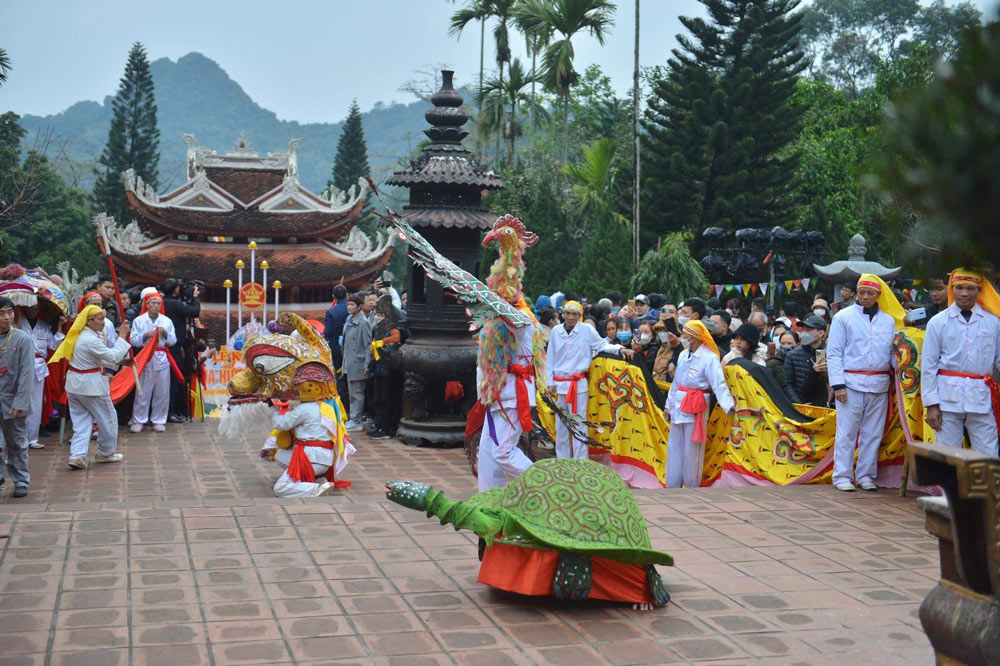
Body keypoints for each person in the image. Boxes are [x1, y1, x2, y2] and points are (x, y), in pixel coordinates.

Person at [827, 275, 904, 492]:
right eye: (862, 292)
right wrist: (838, 385)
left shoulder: (888, 321)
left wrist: (903, 364)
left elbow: (891, 354)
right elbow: (834, 353)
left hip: (879, 383)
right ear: (856, 294)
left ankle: (866, 475)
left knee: (873, 433)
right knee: (847, 432)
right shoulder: (843, 317)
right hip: (850, 382)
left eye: (871, 293)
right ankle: (841, 475)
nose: (866, 297)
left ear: (879, 295)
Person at [922, 269, 1000, 457]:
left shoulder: (993, 322)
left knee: (989, 453)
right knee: (948, 456)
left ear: (980, 290)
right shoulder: (937, 322)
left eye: (970, 288)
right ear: (952, 289)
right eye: (959, 288)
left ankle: (986, 488)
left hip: (981, 397)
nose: (964, 293)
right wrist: (931, 404)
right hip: (946, 399)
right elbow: (928, 365)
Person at [545, 300, 632, 460]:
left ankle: (581, 462)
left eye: (574, 314)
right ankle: (563, 461)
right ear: (563, 314)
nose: (570, 317)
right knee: (561, 426)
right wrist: (549, 383)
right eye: (567, 313)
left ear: (580, 315)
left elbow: (602, 345)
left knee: (579, 425)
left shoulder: (587, 330)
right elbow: (550, 357)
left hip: (578, 385)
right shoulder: (556, 331)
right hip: (559, 384)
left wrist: (620, 348)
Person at [51, 304, 131, 470]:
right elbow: (113, 354)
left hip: (75, 385)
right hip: (91, 385)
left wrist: (119, 361)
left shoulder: (80, 336)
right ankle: (105, 452)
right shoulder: (89, 339)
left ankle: (77, 455)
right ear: (89, 321)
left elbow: (93, 359)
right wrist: (122, 337)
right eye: (100, 319)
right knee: (108, 419)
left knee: (81, 421)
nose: (103, 322)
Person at [663, 320, 734, 488]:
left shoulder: (709, 358)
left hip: (697, 406)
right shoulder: (682, 355)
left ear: (694, 337)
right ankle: (672, 485)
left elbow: (719, 384)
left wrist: (729, 405)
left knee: (692, 450)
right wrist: (668, 405)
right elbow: (675, 384)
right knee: (674, 447)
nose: (683, 336)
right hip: (679, 404)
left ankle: (692, 486)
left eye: (686, 333)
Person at [0, 297, 36, 497]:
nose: (7, 317)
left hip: (14, 400)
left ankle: (21, 479)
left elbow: (26, 373)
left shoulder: (22, 339)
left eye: (10, 312)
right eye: (2, 313)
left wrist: (20, 402)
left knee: (17, 443)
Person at [17, 304, 65, 449]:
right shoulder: (18, 324)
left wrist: (60, 327)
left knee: (36, 403)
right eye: (30, 308)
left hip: (38, 367)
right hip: (21, 366)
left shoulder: (44, 326)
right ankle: (19, 437)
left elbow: (54, 345)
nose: (33, 311)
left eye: (36, 308)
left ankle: (32, 438)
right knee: (20, 401)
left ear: (39, 310)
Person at [129, 291, 177, 433]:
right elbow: (133, 340)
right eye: (153, 303)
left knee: (162, 391)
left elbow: (173, 341)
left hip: (162, 357)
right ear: (147, 304)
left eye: (158, 303)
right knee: (143, 390)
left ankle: (159, 420)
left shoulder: (167, 321)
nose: (156, 306)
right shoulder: (139, 320)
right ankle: (139, 419)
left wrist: (165, 334)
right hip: (145, 357)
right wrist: (145, 335)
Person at [160, 278, 200, 422]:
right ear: (176, 290)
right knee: (174, 378)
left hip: (159, 347)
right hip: (173, 346)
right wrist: (195, 298)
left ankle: (165, 412)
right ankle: (171, 411)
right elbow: (194, 312)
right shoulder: (176, 304)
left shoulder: (159, 302)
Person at [367, 296, 406, 440]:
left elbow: (396, 339)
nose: (379, 317)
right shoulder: (380, 327)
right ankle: (379, 425)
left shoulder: (394, 328)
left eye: (381, 315)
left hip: (389, 369)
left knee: (388, 399)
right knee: (379, 398)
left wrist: (381, 342)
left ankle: (386, 427)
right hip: (379, 367)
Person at [341, 293, 372, 432]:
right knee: (352, 392)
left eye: (352, 304)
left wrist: (367, 364)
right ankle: (354, 418)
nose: (349, 307)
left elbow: (368, 345)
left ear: (359, 307)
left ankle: (356, 420)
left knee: (357, 393)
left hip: (358, 362)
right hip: (349, 361)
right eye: (348, 304)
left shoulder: (363, 322)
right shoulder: (350, 320)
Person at [783, 315, 829, 407]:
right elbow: (787, 384)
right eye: (803, 330)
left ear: (820, 333)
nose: (804, 333)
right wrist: (801, 404)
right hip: (800, 407)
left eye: (809, 330)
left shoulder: (831, 354)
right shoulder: (792, 355)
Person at [323, 284, 349, 370]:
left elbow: (328, 331)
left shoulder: (331, 311)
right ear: (346, 295)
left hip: (336, 347)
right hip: (352, 347)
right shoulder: (354, 308)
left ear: (333, 296)